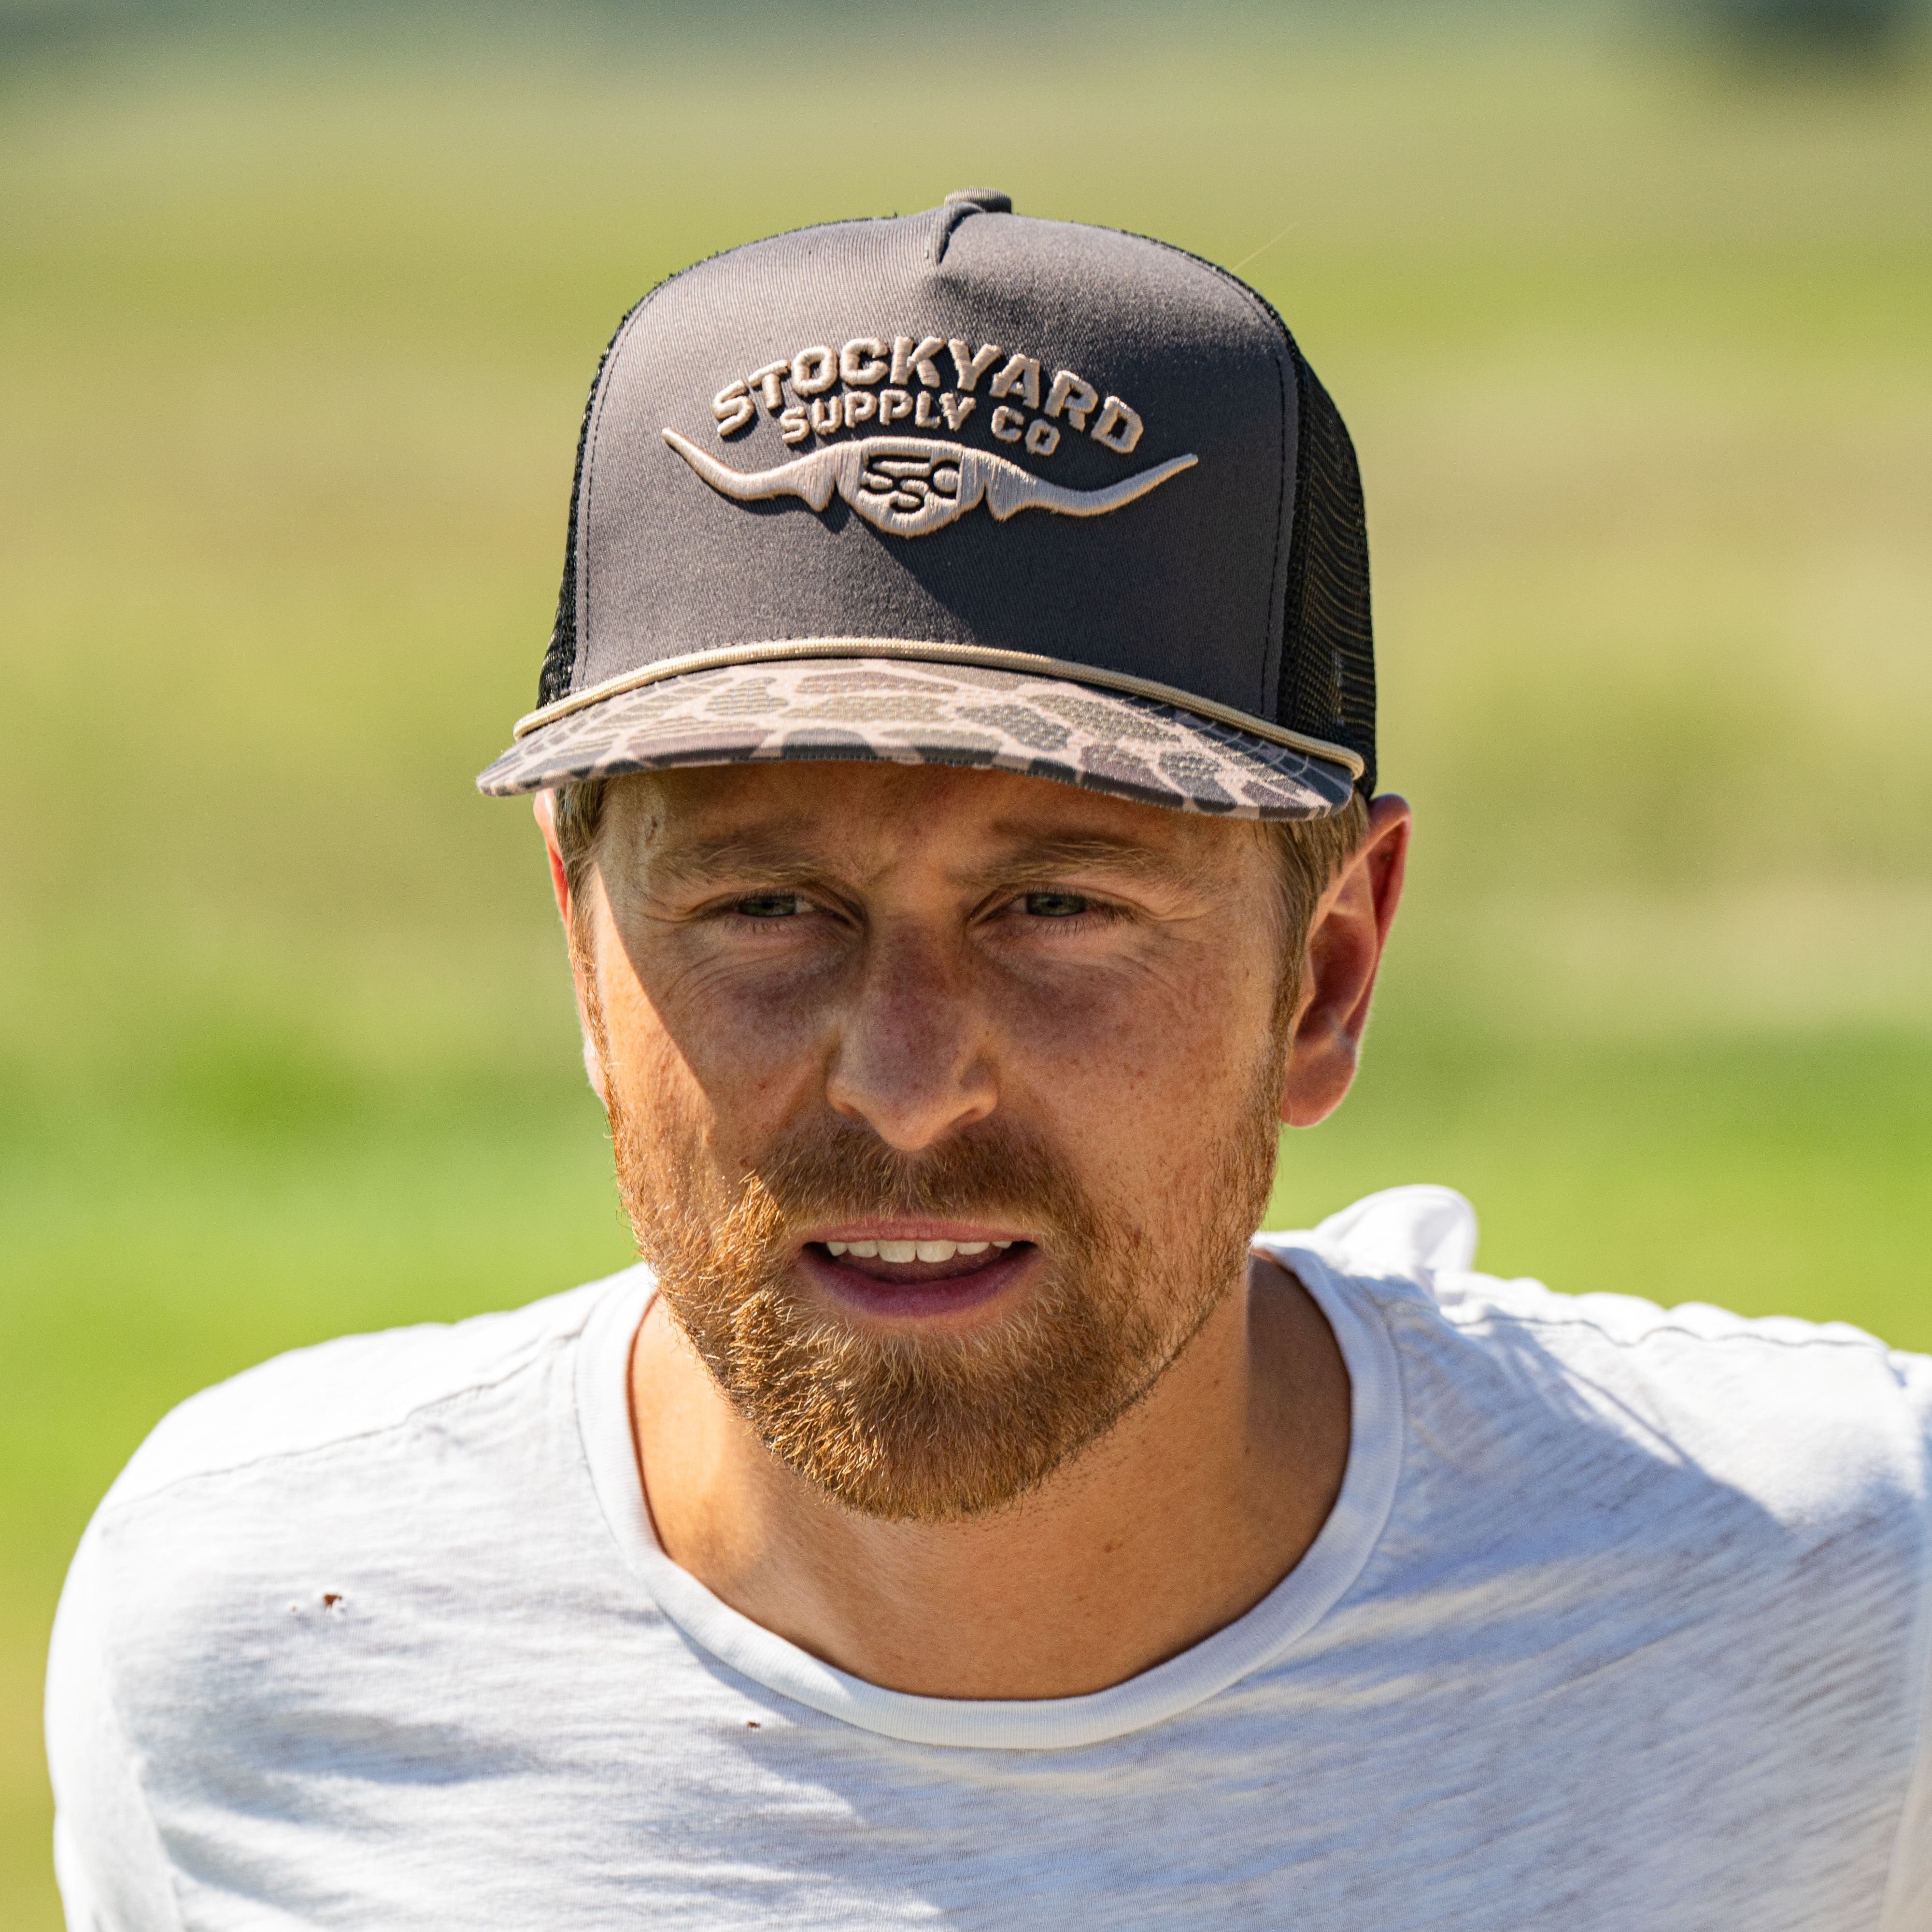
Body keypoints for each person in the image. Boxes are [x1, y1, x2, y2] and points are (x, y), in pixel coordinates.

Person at [44, 190, 1932, 1930]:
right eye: (766, 906)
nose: (904, 1078)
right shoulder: (249, 1637)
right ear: (582, 943)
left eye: (1059, 908)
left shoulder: (1836, 1602)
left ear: (1326, 969)